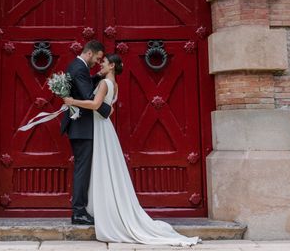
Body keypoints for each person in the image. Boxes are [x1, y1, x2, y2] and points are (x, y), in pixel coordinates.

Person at [63, 54, 202, 246]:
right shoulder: (115, 84)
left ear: (111, 65)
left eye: (103, 63)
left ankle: (103, 210)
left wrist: (72, 102)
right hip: (105, 127)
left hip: (100, 128)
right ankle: (106, 207)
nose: (100, 65)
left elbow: (95, 105)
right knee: (106, 168)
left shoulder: (104, 83)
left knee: (102, 168)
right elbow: (109, 110)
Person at [60, 40, 113, 225]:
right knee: (82, 170)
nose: (98, 62)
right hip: (81, 128)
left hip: (80, 127)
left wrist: (98, 75)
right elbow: (88, 96)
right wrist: (108, 111)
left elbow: (83, 87)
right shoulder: (80, 68)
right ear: (89, 53)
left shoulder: (76, 66)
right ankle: (79, 212)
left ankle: (80, 209)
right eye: (97, 58)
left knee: (83, 169)